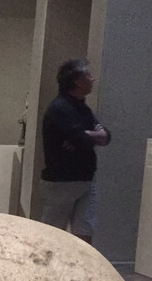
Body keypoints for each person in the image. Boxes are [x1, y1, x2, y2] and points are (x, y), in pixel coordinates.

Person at [40, 58, 110, 245]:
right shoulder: (59, 108)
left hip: (85, 179)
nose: (93, 79)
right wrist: (87, 137)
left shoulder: (83, 108)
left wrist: (86, 137)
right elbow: (80, 137)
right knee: (52, 235)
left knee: (84, 233)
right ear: (77, 81)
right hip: (61, 182)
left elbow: (105, 136)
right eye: (88, 75)